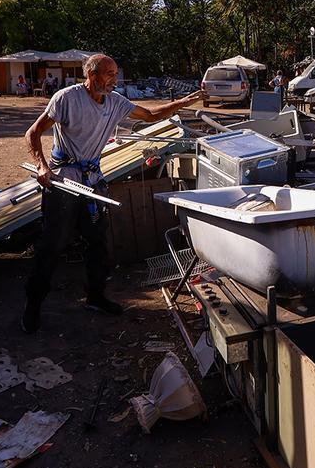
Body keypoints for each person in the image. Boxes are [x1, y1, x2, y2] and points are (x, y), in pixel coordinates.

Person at [21, 54, 204, 333]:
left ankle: (95, 297)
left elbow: (151, 115)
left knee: (97, 242)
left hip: (93, 179)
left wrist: (183, 102)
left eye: (116, 74)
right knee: (52, 244)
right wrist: (42, 166)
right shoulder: (66, 99)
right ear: (91, 75)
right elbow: (32, 133)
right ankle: (33, 305)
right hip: (65, 178)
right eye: (109, 74)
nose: (114, 79)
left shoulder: (115, 102)